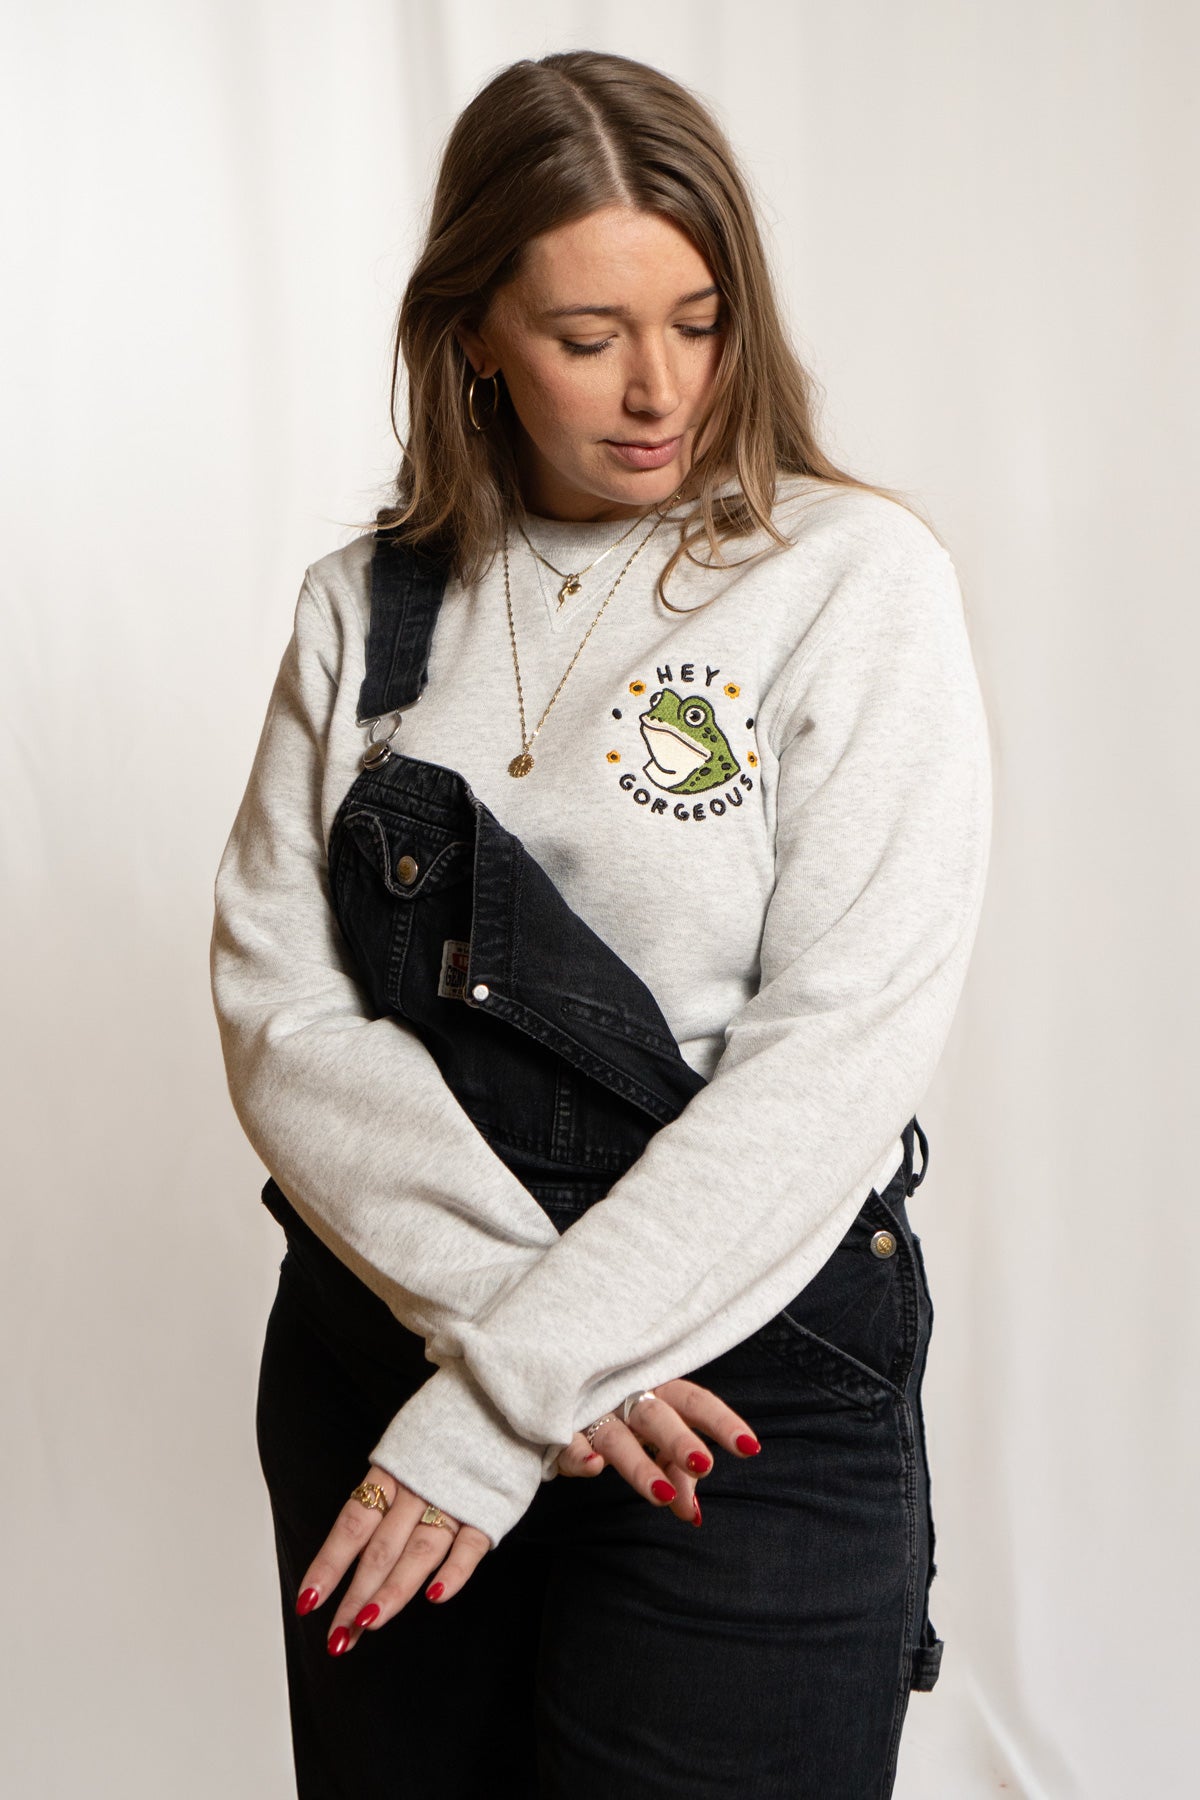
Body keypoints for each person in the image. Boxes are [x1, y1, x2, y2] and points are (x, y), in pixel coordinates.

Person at [210, 48, 992, 1800]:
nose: (662, 390)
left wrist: (510, 1392)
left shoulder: (849, 579)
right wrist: (510, 1347)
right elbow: (282, 1014)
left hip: (738, 1377)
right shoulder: (364, 610)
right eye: (588, 336)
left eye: (702, 324)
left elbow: (840, 1046)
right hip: (387, 1341)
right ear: (474, 335)